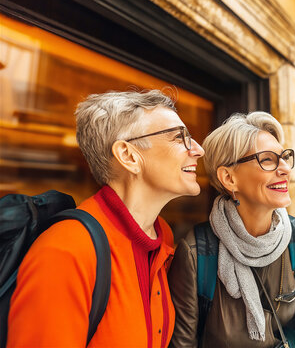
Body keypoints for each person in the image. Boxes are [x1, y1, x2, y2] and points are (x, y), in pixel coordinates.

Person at [7, 90, 205, 346]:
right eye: (180, 138)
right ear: (129, 156)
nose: (198, 150)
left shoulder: (161, 235)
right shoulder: (66, 251)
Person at [168, 112, 295, 347]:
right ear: (229, 178)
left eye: (284, 157)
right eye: (268, 160)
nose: (285, 169)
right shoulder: (196, 251)